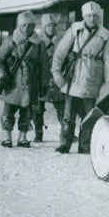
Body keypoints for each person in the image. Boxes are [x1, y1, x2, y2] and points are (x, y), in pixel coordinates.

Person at [51, 1, 109, 154]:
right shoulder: (75, 30)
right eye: (89, 16)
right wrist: (56, 72)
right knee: (68, 113)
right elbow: (60, 51)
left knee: (89, 114)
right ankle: (65, 143)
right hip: (74, 76)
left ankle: (85, 144)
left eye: (95, 16)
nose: (92, 19)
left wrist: (108, 82)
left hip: (93, 77)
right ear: (84, 16)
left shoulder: (105, 35)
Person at [0, 10, 46, 148]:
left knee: (27, 111)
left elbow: (44, 65)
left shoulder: (39, 44)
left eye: (30, 25)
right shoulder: (11, 41)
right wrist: (2, 76)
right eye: (24, 25)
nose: (27, 28)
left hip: (30, 83)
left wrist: (43, 84)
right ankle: (6, 135)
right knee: (9, 110)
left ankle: (23, 136)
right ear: (19, 26)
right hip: (13, 82)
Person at [33, 13, 65, 142]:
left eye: (54, 25)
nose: (51, 28)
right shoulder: (38, 42)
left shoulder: (62, 41)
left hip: (57, 79)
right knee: (38, 109)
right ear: (44, 27)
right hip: (42, 79)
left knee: (61, 107)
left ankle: (65, 133)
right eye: (49, 25)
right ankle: (38, 133)